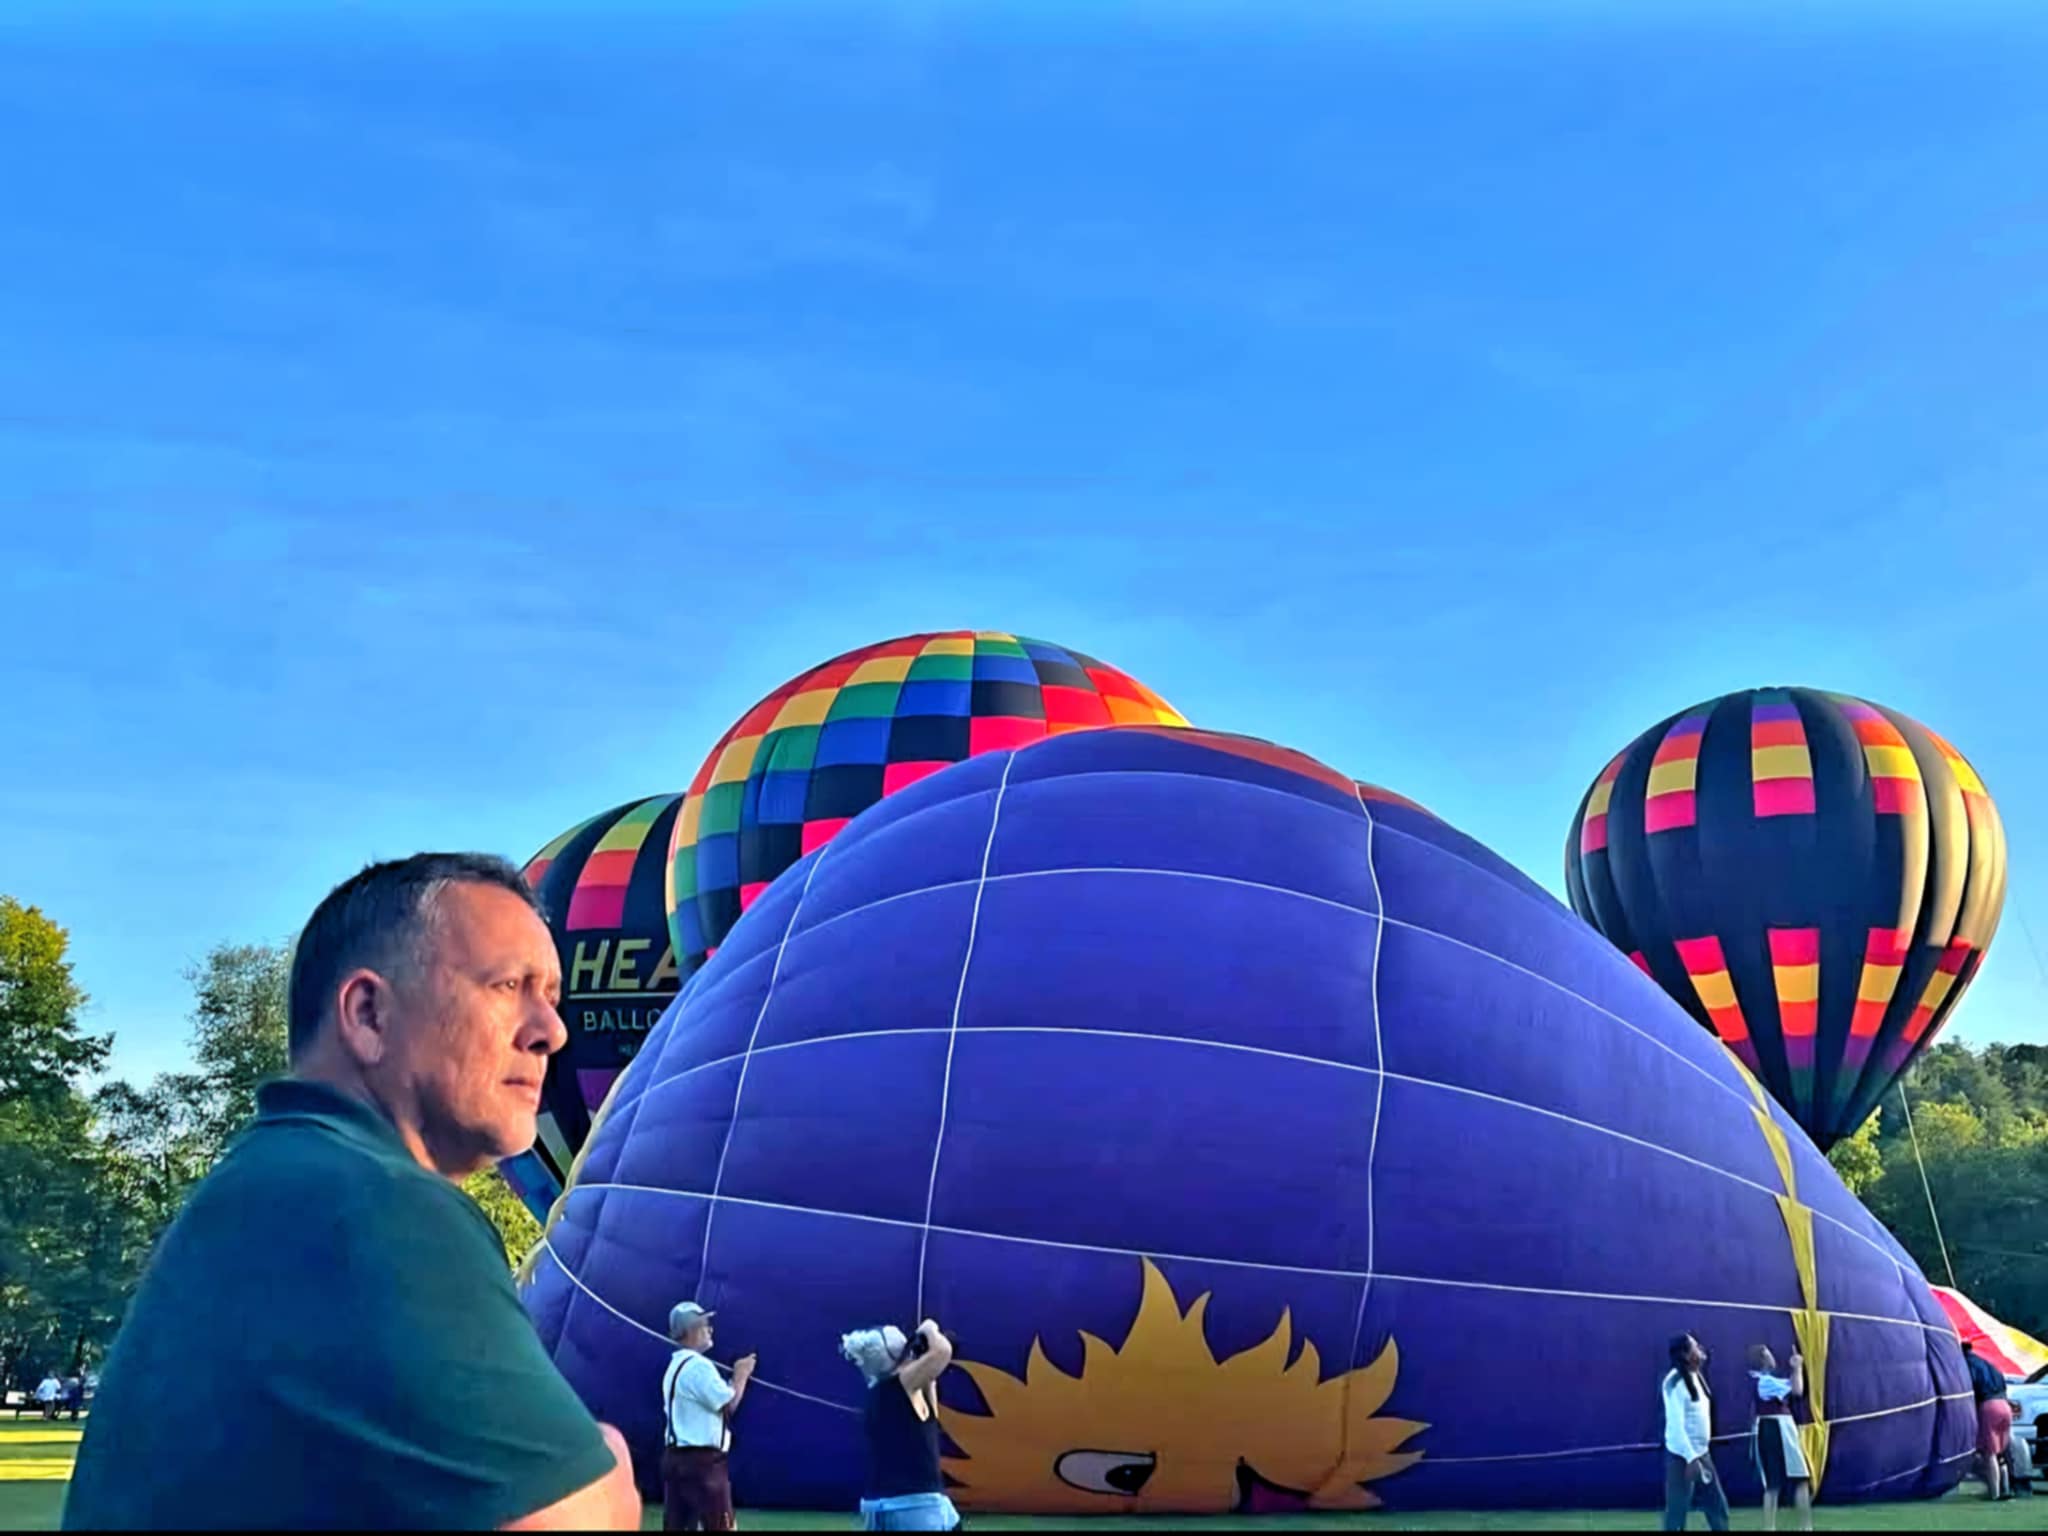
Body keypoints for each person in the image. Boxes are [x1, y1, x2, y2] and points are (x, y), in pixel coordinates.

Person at [64, 854, 641, 1530]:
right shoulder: (375, 1206)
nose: (552, 1031)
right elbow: (562, 1522)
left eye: (554, 996)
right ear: (368, 1014)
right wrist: (611, 1474)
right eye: (509, 984)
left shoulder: (268, 1186)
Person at [840, 1321, 962, 1532]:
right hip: (915, 1506)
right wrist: (929, 1329)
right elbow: (942, 1352)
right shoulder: (901, 1384)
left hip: (883, 1505)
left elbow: (930, 1385)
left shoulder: (881, 1394)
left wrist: (922, 1356)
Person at [661, 1301, 755, 1531]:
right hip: (703, 1464)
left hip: (675, 1460)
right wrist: (741, 1373)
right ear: (691, 1330)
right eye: (704, 1325)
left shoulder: (674, 1366)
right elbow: (729, 1404)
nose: (710, 1329)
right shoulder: (698, 1366)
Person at [1662, 1333, 1729, 1532]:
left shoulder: (1696, 1375)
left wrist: (1699, 1455)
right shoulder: (1674, 1382)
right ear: (1685, 1354)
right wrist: (1691, 1459)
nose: (1700, 1348)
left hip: (1702, 1453)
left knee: (1717, 1508)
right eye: (1694, 1346)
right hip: (1682, 1457)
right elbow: (1676, 1426)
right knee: (1677, 1513)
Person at [1745, 1344, 1812, 1532]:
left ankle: (1773, 1527)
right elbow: (1797, 1390)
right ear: (1763, 1359)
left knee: (1775, 1483)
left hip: (1773, 1427)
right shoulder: (1764, 1382)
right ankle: (1804, 1527)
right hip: (1777, 1428)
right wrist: (1797, 1366)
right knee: (1798, 1478)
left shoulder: (1764, 1381)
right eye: (1768, 1353)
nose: (1773, 1356)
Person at [1963, 1340, 2015, 1502]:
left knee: (1989, 1453)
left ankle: (1995, 1494)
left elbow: (1969, 1388)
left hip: (1989, 1406)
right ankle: (2005, 1488)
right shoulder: (1989, 1365)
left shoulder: (1967, 1365)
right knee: (2000, 1452)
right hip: (2005, 1406)